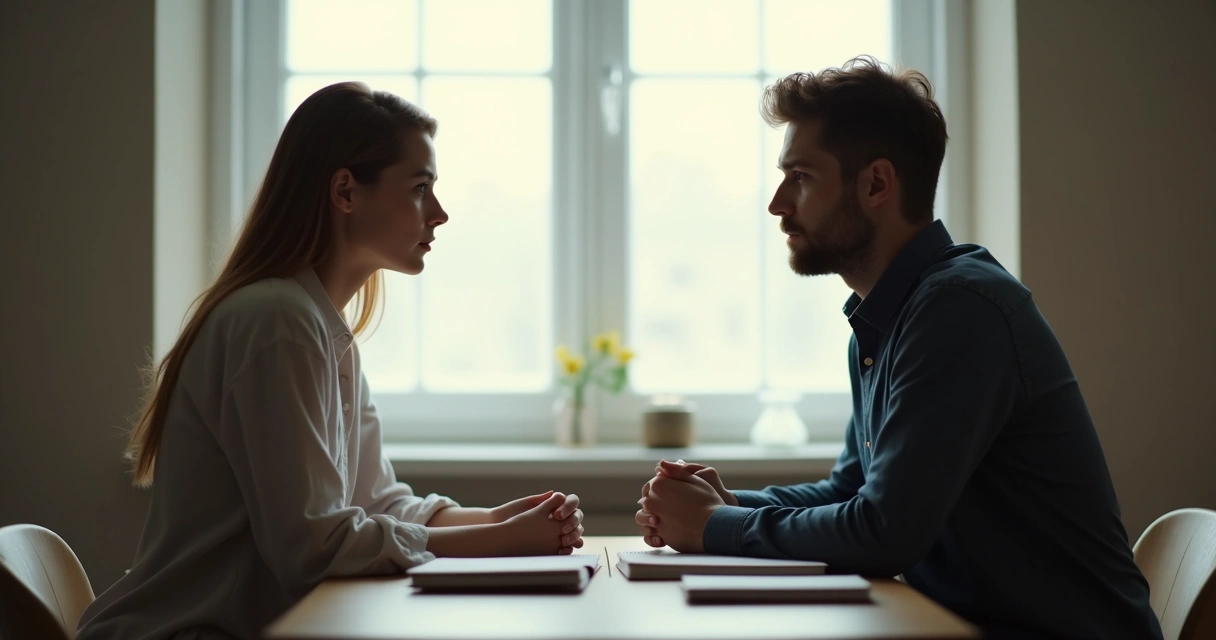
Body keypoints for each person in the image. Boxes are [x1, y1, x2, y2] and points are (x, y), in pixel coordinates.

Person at [635, 57, 1162, 640]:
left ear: (877, 184)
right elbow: (852, 492)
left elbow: (882, 533)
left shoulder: (960, 310)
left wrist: (715, 526)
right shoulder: (889, 318)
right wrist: (726, 501)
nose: (778, 203)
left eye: (802, 177)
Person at [77, 83, 585, 640]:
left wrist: (494, 521)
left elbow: (375, 501)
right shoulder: (277, 323)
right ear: (345, 191)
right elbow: (313, 548)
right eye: (420, 189)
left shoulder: (321, 328)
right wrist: (494, 542)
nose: (438, 214)